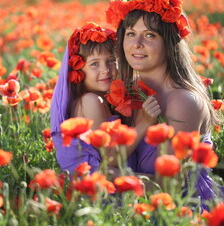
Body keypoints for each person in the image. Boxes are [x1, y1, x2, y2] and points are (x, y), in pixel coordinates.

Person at [106, 0, 224, 209]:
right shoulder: (129, 92)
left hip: (181, 212)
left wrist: (110, 176)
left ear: (169, 42)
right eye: (131, 33)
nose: (137, 44)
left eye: (150, 35)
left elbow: (170, 188)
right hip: (137, 206)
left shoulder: (183, 102)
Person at [50, 22, 160, 175]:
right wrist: (146, 123)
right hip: (97, 185)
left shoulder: (104, 99)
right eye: (94, 64)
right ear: (78, 71)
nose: (105, 70)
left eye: (111, 61)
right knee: (164, 184)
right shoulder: (90, 101)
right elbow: (110, 159)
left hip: (107, 178)